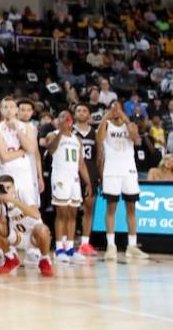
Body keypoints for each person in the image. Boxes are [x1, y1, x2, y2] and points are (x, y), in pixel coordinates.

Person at [98, 101, 148, 261]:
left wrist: (125, 119)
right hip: (112, 170)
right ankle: (111, 245)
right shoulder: (106, 125)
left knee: (131, 208)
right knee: (111, 208)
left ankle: (132, 246)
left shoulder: (130, 124)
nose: (115, 110)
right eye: (112, 107)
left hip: (129, 171)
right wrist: (105, 117)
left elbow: (136, 139)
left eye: (118, 107)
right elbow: (99, 140)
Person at [45, 110, 91, 264]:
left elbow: (81, 164)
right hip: (60, 177)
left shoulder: (77, 139)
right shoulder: (53, 134)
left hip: (74, 179)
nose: (66, 119)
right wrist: (61, 132)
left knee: (73, 214)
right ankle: (59, 249)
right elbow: (50, 149)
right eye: (62, 116)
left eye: (67, 117)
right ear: (58, 120)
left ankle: (70, 248)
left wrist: (89, 182)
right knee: (61, 213)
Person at [0, 175, 55, 277]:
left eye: (9, 187)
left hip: (35, 236)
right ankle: (10, 258)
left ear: (14, 188)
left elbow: (36, 214)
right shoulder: (1, 202)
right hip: (18, 237)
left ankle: (44, 260)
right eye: (3, 188)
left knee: (43, 229)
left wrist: (14, 201)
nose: (6, 191)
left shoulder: (22, 193)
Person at [72, 103, 100, 257]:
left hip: (91, 173)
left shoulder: (94, 133)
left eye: (84, 110)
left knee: (88, 209)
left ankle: (84, 243)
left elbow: (98, 157)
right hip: (73, 174)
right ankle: (66, 242)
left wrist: (98, 175)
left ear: (89, 115)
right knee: (70, 211)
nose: (81, 113)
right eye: (78, 110)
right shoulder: (70, 131)